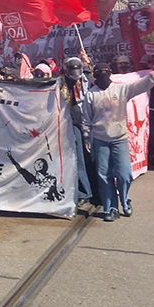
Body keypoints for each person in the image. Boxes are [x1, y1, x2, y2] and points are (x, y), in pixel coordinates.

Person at [82, 61, 154, 222]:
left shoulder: (121, 89)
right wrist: (87, 137)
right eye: (99, 74)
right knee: (104, 176)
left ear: (110, 74)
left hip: (120, 139)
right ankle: (110, 208)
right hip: (100, 141)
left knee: (124, 175)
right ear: (94, 77)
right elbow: (86, 120)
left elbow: (140, 85)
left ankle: (124, 200)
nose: (103, 77)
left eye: (106, 73)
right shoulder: (91, 94)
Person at [61, 57, 94, 206]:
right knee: (79, 158)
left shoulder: (89, 81)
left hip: (90, 123)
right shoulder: (61, 83)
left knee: (93, 157)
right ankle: (84, 192)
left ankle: (99, 191)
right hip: (73, 123)